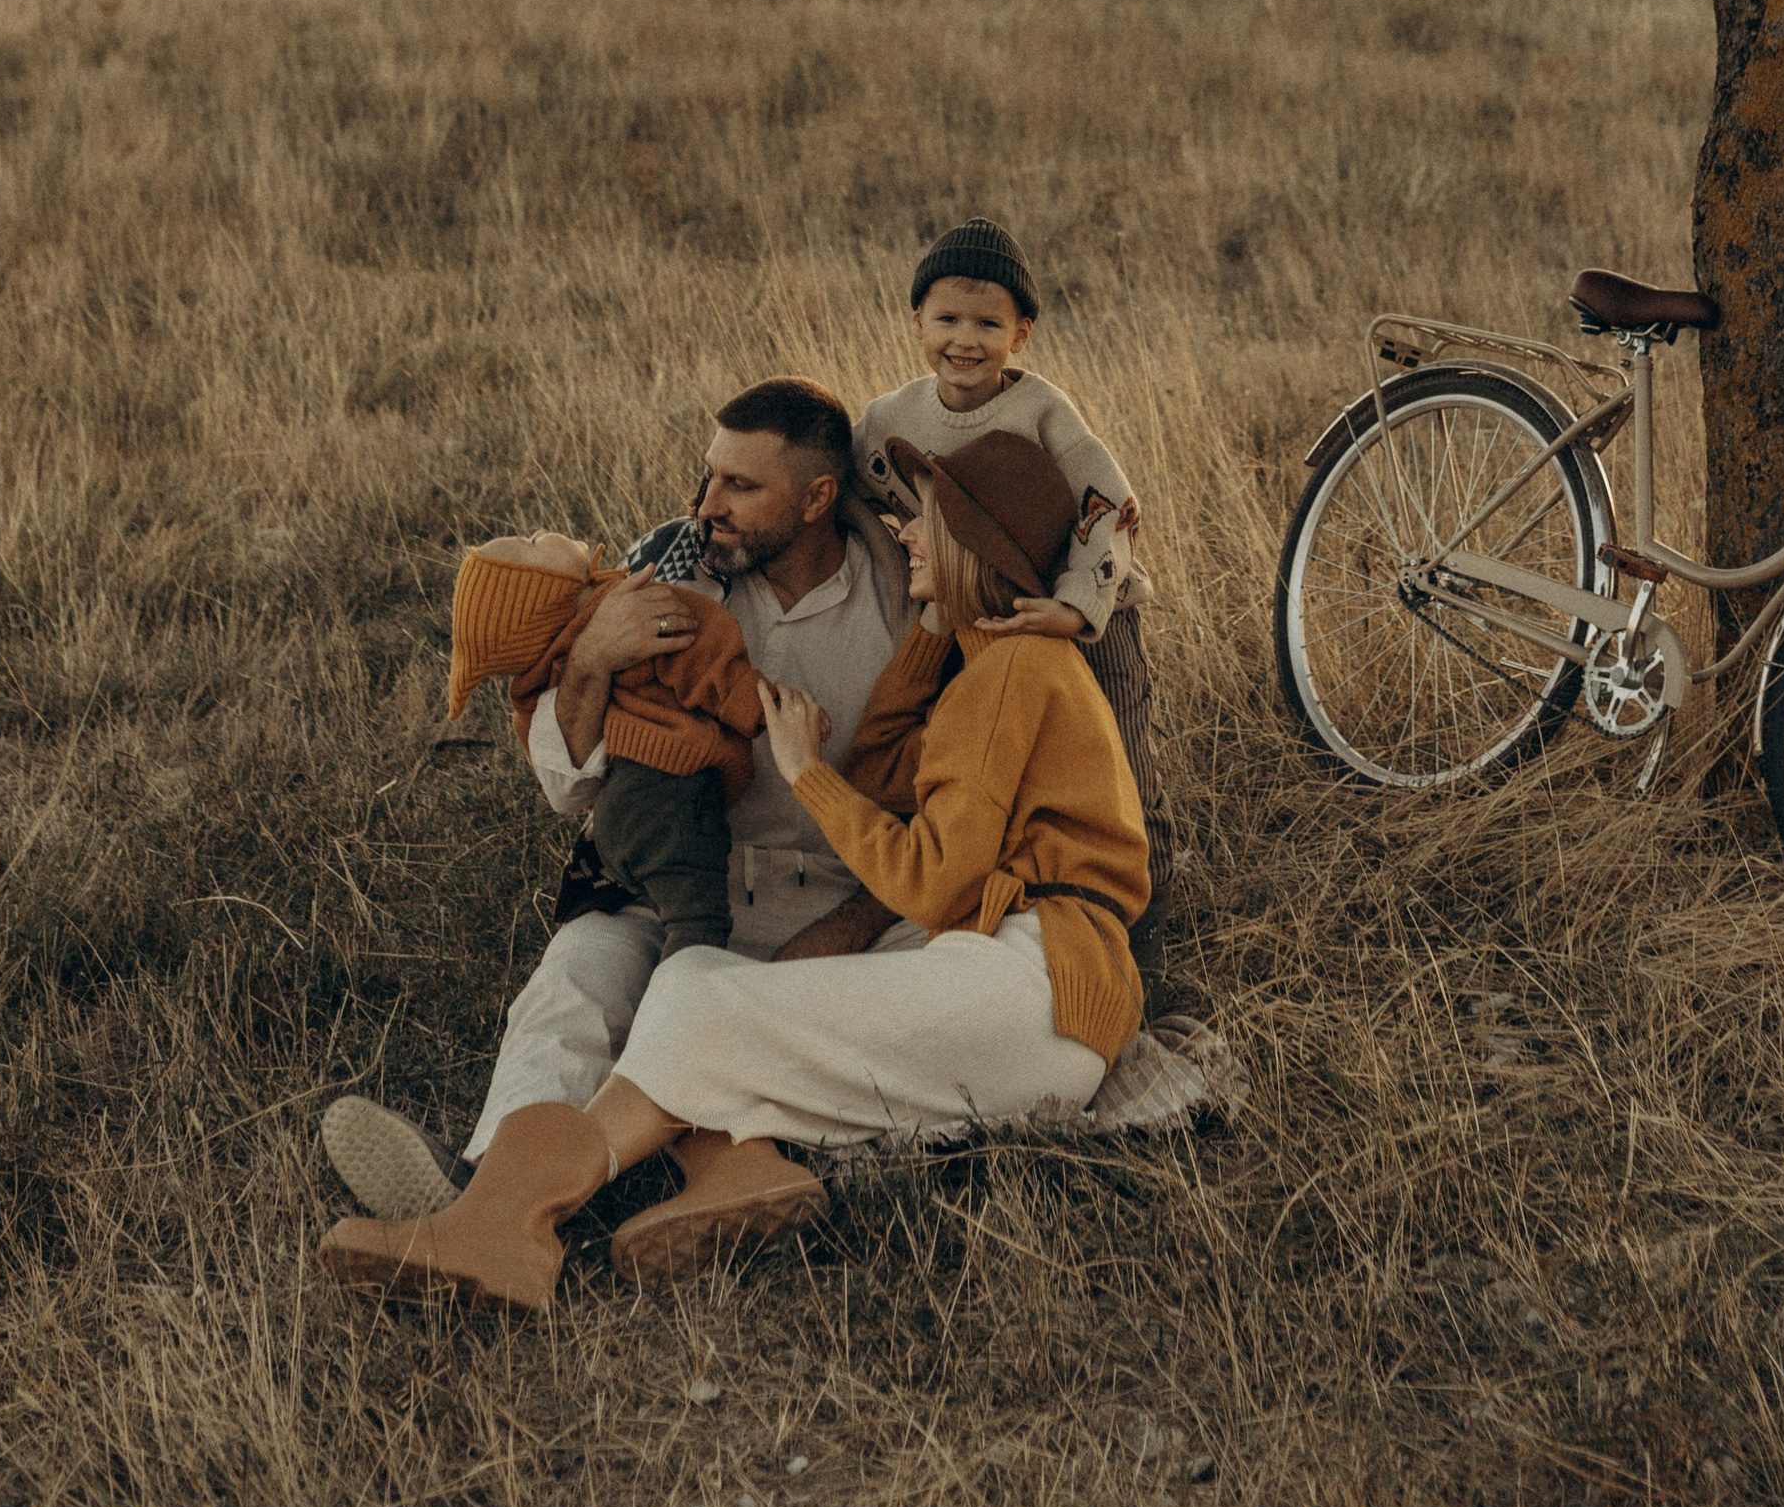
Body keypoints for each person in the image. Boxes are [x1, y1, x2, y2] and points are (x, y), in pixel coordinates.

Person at [319, 427, 1149, 1311]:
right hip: (1007, 972)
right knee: (688, 983)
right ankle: (654, 1189)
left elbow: (933, 880)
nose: (905, 530)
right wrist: (939, 627)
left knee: (699, 1000)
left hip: (1043, 980)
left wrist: (803, 774)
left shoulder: (1013, 668)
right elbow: (885, 774)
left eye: (928, 523)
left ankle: (504, 1220)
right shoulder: (978, 660)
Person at [319, 377, 912, 1267]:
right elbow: (572, 789)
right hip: (676, 885)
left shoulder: (907, 609)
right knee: (575, 981)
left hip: (838, 895)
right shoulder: (668, 572)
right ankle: (485, 1192)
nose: (707, 505)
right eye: (707, 476)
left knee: (910, 1001)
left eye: (740, 487)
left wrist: (850, 925)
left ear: (818, 497)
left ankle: (723, 1174)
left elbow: (935, 809)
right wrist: (592, 661)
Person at [851, 219, 1177, 995]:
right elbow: (856, 484)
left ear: (1021, 334)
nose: (965, 342)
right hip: (978, 609)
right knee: (986, 749)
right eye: (947, 321)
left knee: (1120, 757)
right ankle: (996, 884)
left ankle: (1150, 930)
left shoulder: (1041, 414)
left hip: (1082, 611)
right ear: (915, 324)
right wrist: (902, 546)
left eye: (989, 325)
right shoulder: (890, 419)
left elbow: (1109, 507)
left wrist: (1074, 608)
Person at [441, 532, 765, 955]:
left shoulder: (543, 673)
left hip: (629, 824)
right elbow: (699, 650)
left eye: (741, 484)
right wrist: (759, 707)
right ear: (546, 594)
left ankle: (680, 984)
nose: (540, 530)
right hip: (670, 803)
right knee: (694, 929)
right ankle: (688, 987)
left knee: (681, 920)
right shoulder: (646, 576)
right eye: (532, 541)